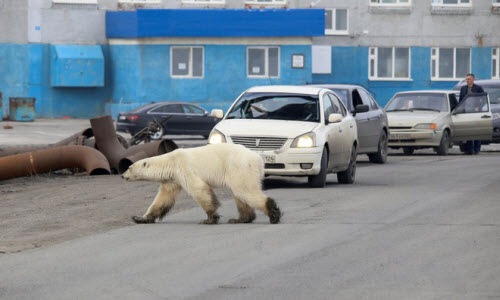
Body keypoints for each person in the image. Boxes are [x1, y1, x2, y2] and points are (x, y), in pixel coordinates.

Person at [459, 73, 484, 155]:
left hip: (476, 112)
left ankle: (477, 149)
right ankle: (469, 149)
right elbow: (461, 100)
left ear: (473, 79)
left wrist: (478, 107)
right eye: (466, 79)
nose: (467, 81)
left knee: (476, 131)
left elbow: (483, 99)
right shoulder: (463, 89)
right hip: (466, 112)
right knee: (468, 131)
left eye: (469, 79)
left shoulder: (478, 88)